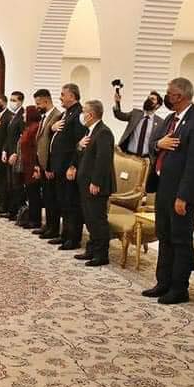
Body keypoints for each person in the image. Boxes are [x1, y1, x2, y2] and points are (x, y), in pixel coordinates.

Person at [142, 77, 194, 305]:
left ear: (180, 96)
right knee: (164, 235)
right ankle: (163, 282)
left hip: (182, 192)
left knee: (180, 239)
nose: (166, 96)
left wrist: (183, 196)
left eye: (169, 93)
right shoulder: (169, 119)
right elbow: (153, 143)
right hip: (163, 186)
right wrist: (159, 144)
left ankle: (179, 288)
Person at [67, 100, 116, 265]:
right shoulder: (90, 131)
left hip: (95, 184)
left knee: (97, 220)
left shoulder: (103, 132)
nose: (81, 114)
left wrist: (96, 182)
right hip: (85, 183)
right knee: (89, 219)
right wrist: (79, 146)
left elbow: (103, 160)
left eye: (83, 111)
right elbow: (85, 155)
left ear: (91, 115)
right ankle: (91, 250)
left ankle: (101, 255)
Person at [46, 84, 86, 249]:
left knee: (71, 204)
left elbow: (79, 143)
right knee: (63, 202)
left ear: (72, 96)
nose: (60, 97)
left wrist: (73, 165)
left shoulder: (79, 114)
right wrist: (52, 127)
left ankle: (73, 238)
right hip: (59, 166)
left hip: (68, 167)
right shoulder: (66, 113)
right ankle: (64, 235)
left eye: (63, 94)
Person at [32, 89, 63, 238]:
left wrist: (49, 166)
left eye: (38, 103)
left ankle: (53, 228)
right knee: (47, 197)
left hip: (50, 165)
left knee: (52, 198)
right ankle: (48, 225)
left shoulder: (57, 115)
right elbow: (40, 140)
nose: (37, 106)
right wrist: (38, 164)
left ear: (46, 101)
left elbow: (54, 145)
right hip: (43, 163)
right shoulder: (44, 117)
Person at [114, 89, 163, 156]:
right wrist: (117, 102)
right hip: (129, 155)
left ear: (158, 105)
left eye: (152, 99)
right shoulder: (135, 113)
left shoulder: (160, 122)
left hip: (146, 158)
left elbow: (159, 142)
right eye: (148, 98)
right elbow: (120, 115)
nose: (148, 100)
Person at [2, 91, 26, 220]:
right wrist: (5, 151)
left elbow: (22, 138)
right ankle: (11, 210)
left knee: (17, 185)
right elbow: (9, 136)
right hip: (9, 153)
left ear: (20, 101)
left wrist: (16, 153)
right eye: (11, 99)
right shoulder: (13, 116)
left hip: (16, 155)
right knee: (10, 183)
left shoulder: (22, 116)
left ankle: (17, 211)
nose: (12, 102)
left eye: (14, 100)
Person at [17, 105, 42, 229]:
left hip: (32, 165)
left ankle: (35, 220)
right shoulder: (28, 128)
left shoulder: (35, 128)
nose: (23, 115)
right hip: (26, 165)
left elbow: (36, 148)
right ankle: (31, 217)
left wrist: (36, 166)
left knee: (34, 193)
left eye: (25, 113)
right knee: (30, 193)